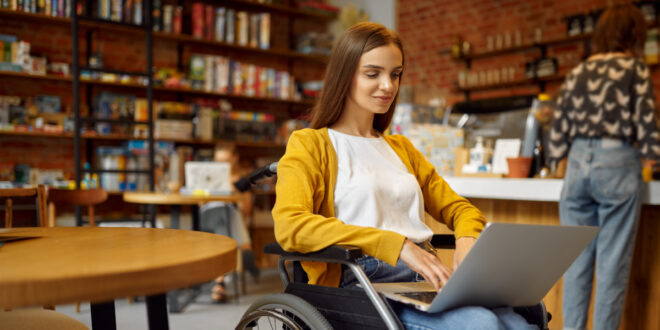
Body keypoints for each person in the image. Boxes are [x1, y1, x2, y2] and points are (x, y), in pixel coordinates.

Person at [272, 22, 537, 329]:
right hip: (360, 283)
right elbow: (291, 225)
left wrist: (466, 238)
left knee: (520, 323)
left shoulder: (401, 148)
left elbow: (459, 208)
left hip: (425, 274)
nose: (388, 85)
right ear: (345, 75)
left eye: (395, 74)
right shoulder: (310, 144)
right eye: (373, 74)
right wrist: (395, 244)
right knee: (482, 324)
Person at [548, 4, 660, 330]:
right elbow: (649, 132)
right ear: (634, 34)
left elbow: (558, 134)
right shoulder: (634, 69)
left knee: (576, 265)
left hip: (577, 166)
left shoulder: (579, 71)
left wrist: (558, 162)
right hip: (616, 162)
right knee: (612, 267)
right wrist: (652, 158)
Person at [200, 143, 260, 303]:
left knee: (228, 214)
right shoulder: (206, 177)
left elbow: (246, 211)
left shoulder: (242, 182)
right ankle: (246, 247)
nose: (222, 165)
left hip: (230, 221)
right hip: (208, 219)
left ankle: (219, 283)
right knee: (223, 212)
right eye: (218, 160)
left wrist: (234, 194)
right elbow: (200, 204)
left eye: (226, 160)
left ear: (235, 159)